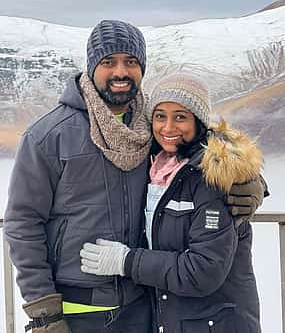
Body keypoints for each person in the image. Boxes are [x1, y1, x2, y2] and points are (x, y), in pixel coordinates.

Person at [4, 20, 265, 333]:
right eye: (108, 62)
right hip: (77, 312)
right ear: (90, 67)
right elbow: (23, 224)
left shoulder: (152, 127)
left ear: (142, 68)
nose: (120, 72)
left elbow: (203, 155)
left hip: (145, 306)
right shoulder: (49, 136)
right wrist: (44, 314)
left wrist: (248, 182)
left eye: (130, 62)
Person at [80, 70, 263, 332]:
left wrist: (127, 261)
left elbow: (203, 271)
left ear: (198, 122)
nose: (167, 128)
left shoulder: (213, 178)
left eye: (180, 117)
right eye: (160, 116)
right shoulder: (157, 168)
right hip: (178, 320)